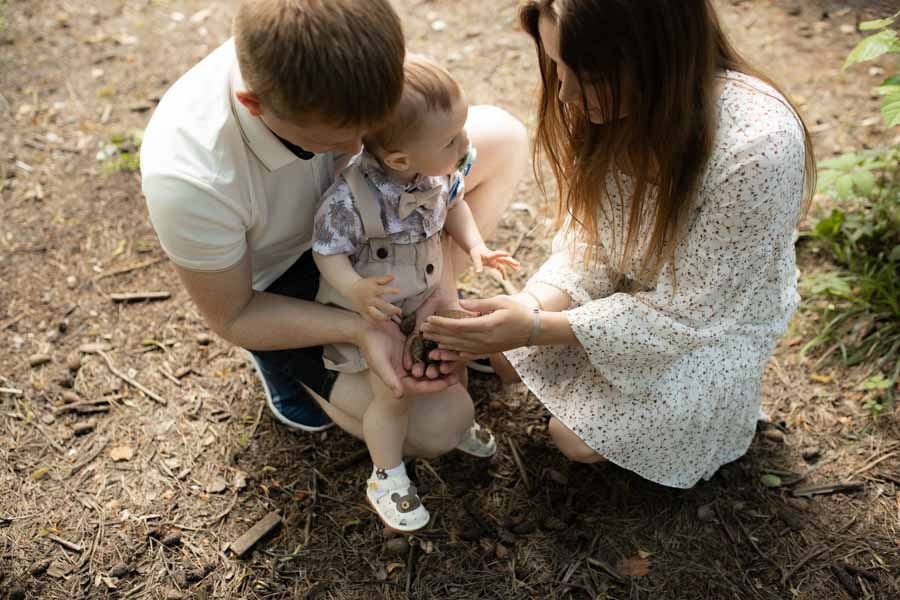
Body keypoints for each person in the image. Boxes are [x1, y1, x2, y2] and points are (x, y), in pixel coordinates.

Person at [423, 0, 816, 488]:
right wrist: (531, 307)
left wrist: (537, 327)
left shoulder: (757, 148)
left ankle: (719, 413)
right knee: (513, 357)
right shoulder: (613, 106)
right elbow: (592, 245)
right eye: (555, 66)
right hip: (631, 296)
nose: (562, 92)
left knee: (575, 437)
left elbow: (694, 312)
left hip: (711, 323)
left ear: (651, 59)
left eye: (580, 72)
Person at [139, 0, 528, 465]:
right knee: (437, 426)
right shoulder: (190, 178)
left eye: (369, 129)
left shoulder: (350, 41)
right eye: (335, 137)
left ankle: (424, 306)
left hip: (381, 220)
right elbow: (232, 314)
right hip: (290, 273)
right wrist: (358, 328)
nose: (357, 151)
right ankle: (289, 360)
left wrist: (440, 288)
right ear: (253, 104)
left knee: (505, 139)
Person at [311, 55, 518, 531]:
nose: (466, 143)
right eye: (452, 138)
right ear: (401, 159)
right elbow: (328, 253)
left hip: (424, 293)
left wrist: (477, 247)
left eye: (463, 128)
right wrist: (355, 289)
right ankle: (387, 475)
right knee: (394, 392)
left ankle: (460, 423)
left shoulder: (438, 172)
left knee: (451, 349)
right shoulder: (349, 200)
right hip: (375, 312)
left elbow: (456, 205)